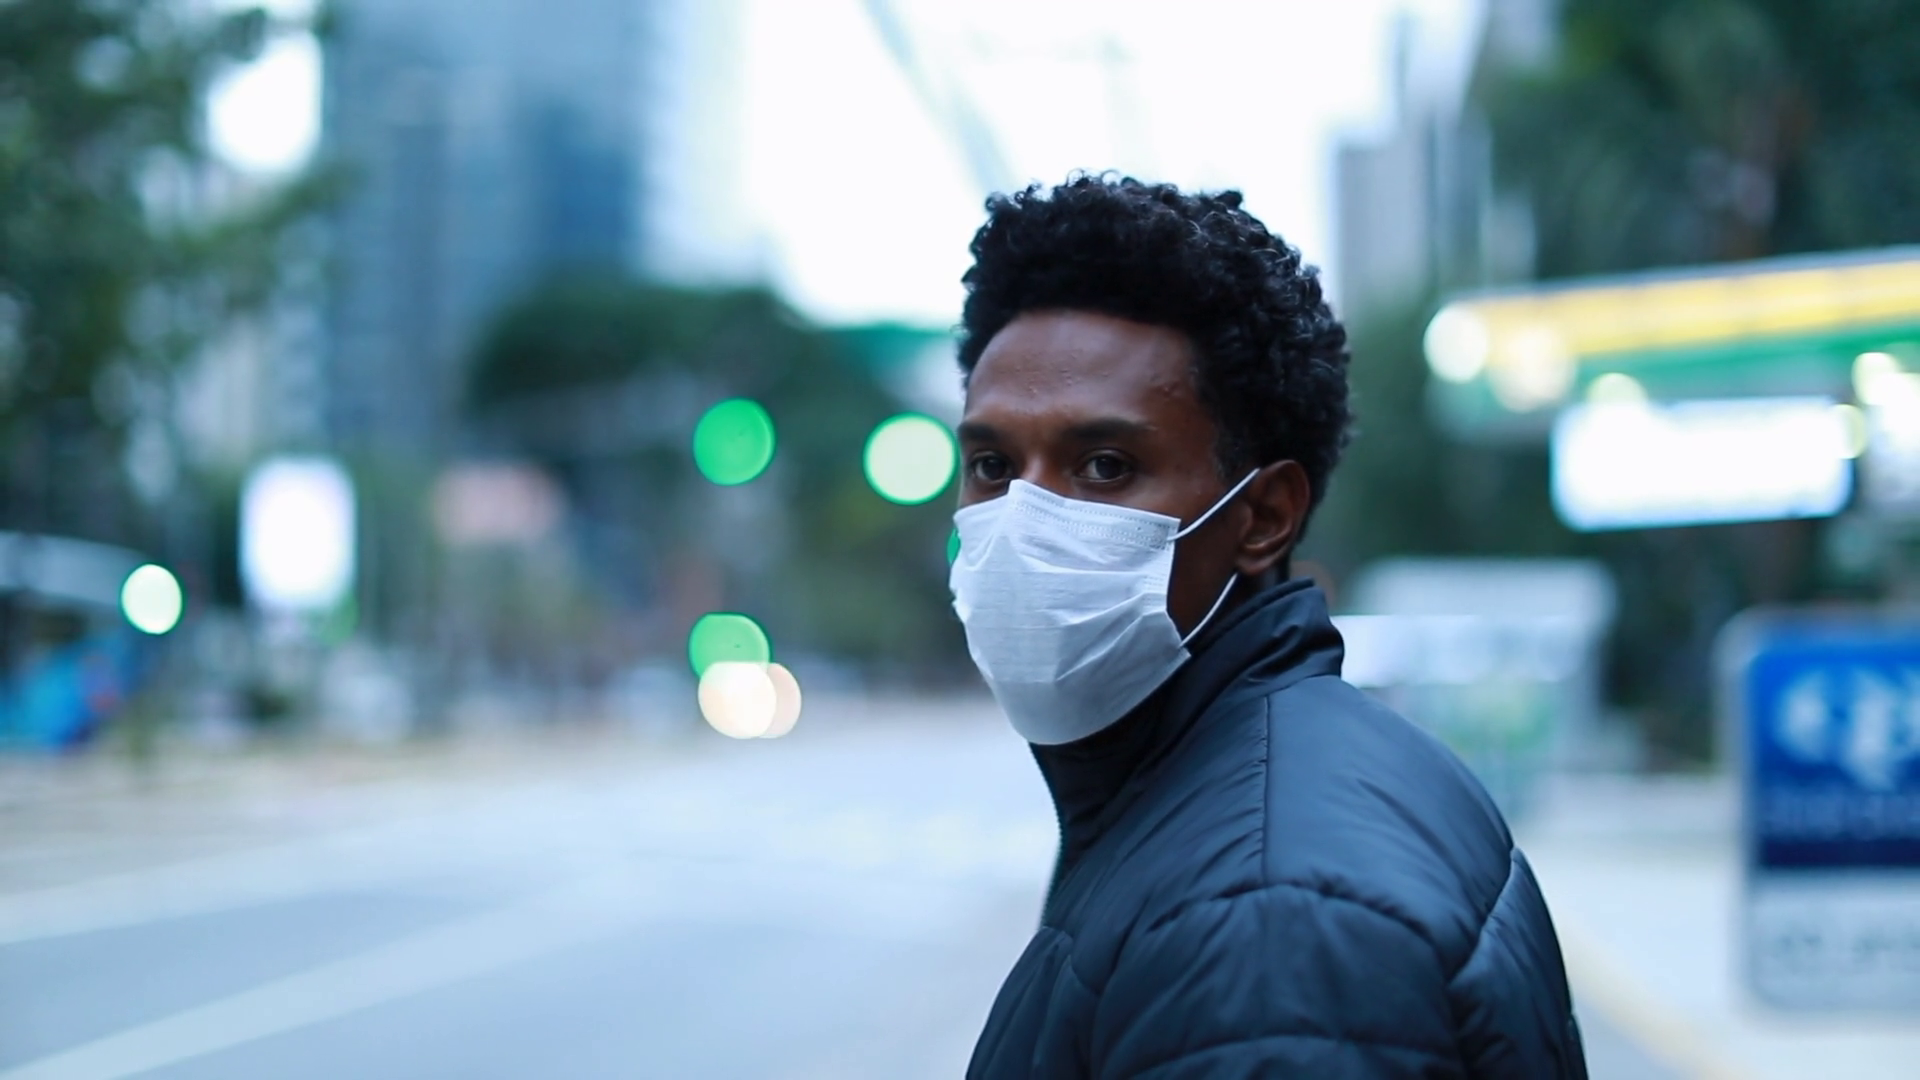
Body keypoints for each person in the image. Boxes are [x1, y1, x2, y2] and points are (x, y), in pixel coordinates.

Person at [947, 174, 1588, 1079]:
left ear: (1264, 518)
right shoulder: (1245, 795)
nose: (1025, 519)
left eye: (1104, 464)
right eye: (991, 465)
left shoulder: (1264, 918)